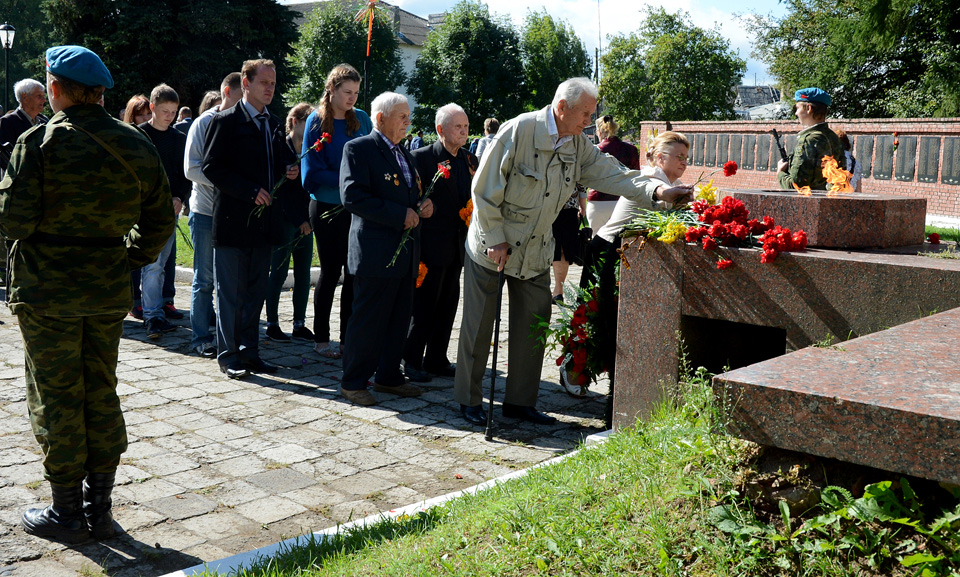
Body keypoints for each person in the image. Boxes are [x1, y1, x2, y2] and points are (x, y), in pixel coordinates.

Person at [1, 45, 174, 543]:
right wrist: (123, 260)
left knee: (56, 395)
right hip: (104, 290)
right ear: (98, 93)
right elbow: (161, 221)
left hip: (47, 292)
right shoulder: (135, 144)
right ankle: (100, 508)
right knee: (99, 387)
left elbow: (13, 221)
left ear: (55, 89)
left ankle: (67, 513)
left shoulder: (40, 144)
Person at [455, 77, 692, 427]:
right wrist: (494, 237)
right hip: (493, 246)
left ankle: (520, 403)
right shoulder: (519, 130)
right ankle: (469, 400)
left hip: (535, 250)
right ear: (562, 107)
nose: (589, 121)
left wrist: (659, 191)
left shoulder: (577, 144)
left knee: (533, 325)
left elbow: (615, 175)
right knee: (479, 326)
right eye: (585, 113)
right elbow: (484, 187)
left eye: (592, 114)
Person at [582, 131, 689, 424]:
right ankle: (590, 377)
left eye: (686, 158)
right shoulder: (652, 178)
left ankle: (614, 395)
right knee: (605, 324)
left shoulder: (673, 183)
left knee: (616, 326)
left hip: (629, 254)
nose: (683, 163)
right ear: (658, 157)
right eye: (678, 156)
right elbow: (656, 192)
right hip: (608, 253)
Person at [202, 59, 298, 379]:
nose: (270, 88)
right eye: (264, 83)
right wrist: (249, 191)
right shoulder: (225, 121)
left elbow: (281, 160)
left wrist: (290, 169)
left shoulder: (273, 123)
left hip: (264, 225)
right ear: (246, 83)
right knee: (231, 295)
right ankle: (229, 356)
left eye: (273, 83)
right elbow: (211, 168)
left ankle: (250, 351)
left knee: (255, 292)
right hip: (233, 223)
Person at [338, 92, 434, 406]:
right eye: (402, 117)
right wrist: (398, 215)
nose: (408, 122)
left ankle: (388, 376)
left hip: (405, 253)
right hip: (376, 253)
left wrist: (421, 205)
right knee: (368, 320)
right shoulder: (359, 148)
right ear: (381, 119)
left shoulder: (404, 152)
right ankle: (353, 382)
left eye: (408, 116)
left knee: (398, 318)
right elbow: (352, 196)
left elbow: (407, 195)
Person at [301, 63, 372, 359]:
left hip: (356, 209)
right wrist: (349, 178)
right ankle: (321, 338)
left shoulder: (363, 119)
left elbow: (373, 157)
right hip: (328, 207)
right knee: (331, 273)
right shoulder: (316, 122)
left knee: (354, 274)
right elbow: (310, 173)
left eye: (356, 92)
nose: (352, 98)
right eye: (347, 92)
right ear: (331, 90)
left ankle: (348, 338)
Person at [403, 103, 476, 382]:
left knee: (448, 304)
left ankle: (436, 358)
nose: (464, 131)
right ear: (440, 129)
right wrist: (420, 203)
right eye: (458, 126)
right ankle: (410, 359)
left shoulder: (470, 159)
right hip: (431, 243)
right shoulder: (421, 157)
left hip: (458, 245)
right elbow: (410, 195)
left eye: (466, 126)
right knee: (424, 306)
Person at [184, 73, 241, 358]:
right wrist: (228, 182)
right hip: (205, 212)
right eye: (241, 96)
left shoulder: (244, 123)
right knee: (204, 279)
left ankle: (227, 338)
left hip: (234, 214)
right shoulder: (203, 123)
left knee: (229, 281)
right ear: (227, 91)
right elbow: (191, 169)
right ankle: (200, 337)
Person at [138, 84, 191, 339]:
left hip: (171, 209)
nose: (169, 116)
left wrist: (180, 197)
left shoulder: (179, 138)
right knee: (153, 264)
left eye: (173, 111)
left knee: (160, 263)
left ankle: (155, 311)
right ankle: (152, 316)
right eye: (164, 111)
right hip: (146, 210)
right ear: (152, 108)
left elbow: (185, 175)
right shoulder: (139, 135)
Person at [265, 102, 314, 342]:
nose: (313, 127)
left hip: (307, 222)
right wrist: (299, 219)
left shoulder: (312, 149)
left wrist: (309, 219)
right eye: (309, 122)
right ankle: (272, 323)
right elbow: (280, 192)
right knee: (279, 273)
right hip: (284, 221)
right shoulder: (279, 147)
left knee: (303, 275)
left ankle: (299, 323)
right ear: (295, 121)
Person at [777, 87, 844, 191]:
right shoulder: (833, 137)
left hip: (809, 203)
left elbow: (797, 186)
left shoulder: (809, 140)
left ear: (808, 108)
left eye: (798, 108)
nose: (796, 113)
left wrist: (780, 173)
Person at [123, 94, 152, 321]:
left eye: (147, 114)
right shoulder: (125, 137)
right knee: (131, 253)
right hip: (130, 204)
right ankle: (134, 300)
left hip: (147, 203)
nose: (144, 119)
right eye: (139, 115)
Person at [588, 115, 639, 232]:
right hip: (622, 200)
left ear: (599, 131)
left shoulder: (595, 150)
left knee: (595, 241)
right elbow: (636, 175)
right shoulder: (631, 149)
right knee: (620, 243)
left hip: (598, 201)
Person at [0, 78, 48, 170]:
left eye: (43, 95)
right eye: (39, 96)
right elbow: (5, 159)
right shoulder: (8, 122)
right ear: (25, 98)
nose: (44, 100)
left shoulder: (44, 121)